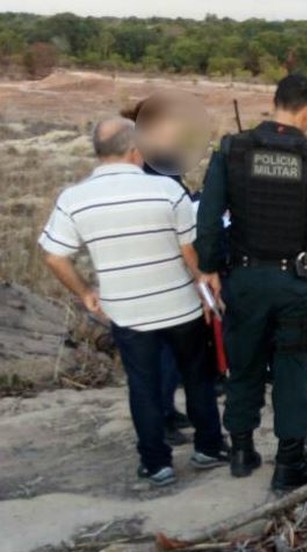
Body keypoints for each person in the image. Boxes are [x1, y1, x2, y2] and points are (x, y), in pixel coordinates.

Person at [39, 117, 226, 487]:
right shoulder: (166, 191)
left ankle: (156, 464)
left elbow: (53, 255)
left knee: (142, 385)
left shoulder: (73, 199)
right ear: (135, 150)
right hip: (181, 307)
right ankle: (208, 448)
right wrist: (207, 285)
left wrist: (86, 294)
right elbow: (191, 251)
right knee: (196, 377)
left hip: (127, 311)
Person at [195, 74, 307, 492]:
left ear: (275, 103)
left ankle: (242, 452)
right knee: (291, 371)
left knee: (243, 365)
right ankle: (288, 466)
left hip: (243, 280)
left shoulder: (231, 150)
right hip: (295, 286)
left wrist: (209, 266)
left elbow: (207, 216)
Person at [120, 97, 195, 444]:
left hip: (156, 263)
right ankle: (160, 420)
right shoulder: (152, 162)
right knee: (163, 351)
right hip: (161, 266)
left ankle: (166, 409)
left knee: (170, 351)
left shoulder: (150, 159)